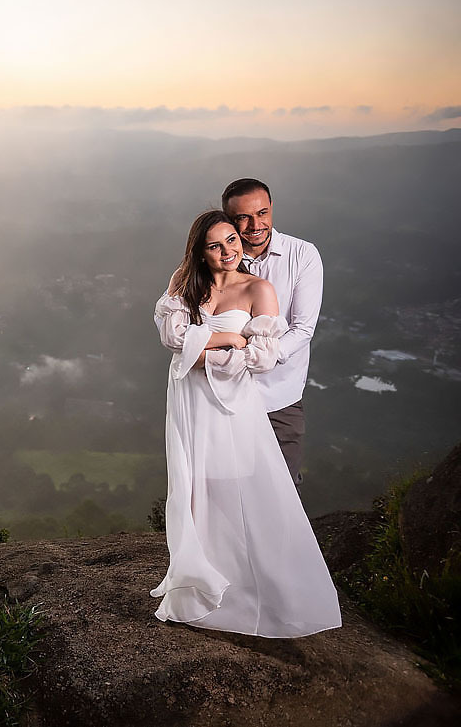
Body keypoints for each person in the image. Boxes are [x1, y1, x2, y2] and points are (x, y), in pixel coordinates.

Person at [150, 210, 340, 637]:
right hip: (189, 402)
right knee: (196, 488)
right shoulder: (184, 283)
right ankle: (201, 585)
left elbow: (263, 356)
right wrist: (228, 338)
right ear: (200, 251)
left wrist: (204, 354)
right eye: (216, 245)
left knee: (239, 488)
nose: (228, 251)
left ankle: (256, 591)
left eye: (233, 240)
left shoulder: (259, 288)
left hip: (233, 405)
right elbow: (171, 338)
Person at [222, 178, 322, 486]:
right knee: (230, 487)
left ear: (272, 209)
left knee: (283, 488)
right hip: (226, 396)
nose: (255, 225)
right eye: (243, 217)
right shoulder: (218, 257)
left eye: (262, 213)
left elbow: (303, 329)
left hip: (280, 397)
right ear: (229, 220)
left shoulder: (302, 255)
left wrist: (255, 358)